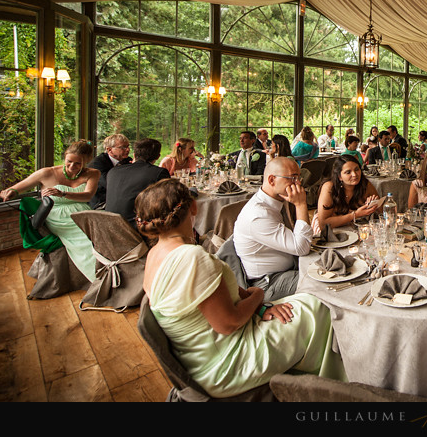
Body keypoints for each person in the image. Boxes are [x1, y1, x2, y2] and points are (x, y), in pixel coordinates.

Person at [138, 178, 345, 398]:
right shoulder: (191, 257)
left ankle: (311, 379)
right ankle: (329, 390)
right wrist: (258, 296)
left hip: (197, 356)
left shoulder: (154, 254)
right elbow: (229, 323)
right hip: (225, 364)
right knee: (320, 308)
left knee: (306, 301)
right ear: (194, 206)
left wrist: (261, 306)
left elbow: (216, 300)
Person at [1, 139, 99, 282]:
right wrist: (9, 192)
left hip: (84, 211)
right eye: (69, 161)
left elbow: (88, 196)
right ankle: (98, 279)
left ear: (86, 161)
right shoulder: (46, 173)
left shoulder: (93, 173)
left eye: (78, 163)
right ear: (65, 157)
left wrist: (63, 194)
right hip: (58, 215)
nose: (72, 166)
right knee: (86, 241)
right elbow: (17, 188)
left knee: (103, 235)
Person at [233, 157, 312, 300]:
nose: (298, 183)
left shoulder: (275, 202)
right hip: (268, 283)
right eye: (292, 178)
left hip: (288, 267)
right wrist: (301, 205)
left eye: (298, 178)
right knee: (320, 282)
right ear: (271, 180)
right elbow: (302, 248)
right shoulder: (258, 215)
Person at [105, 138, 170, 227]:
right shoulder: (158, 173)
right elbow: (168, 201)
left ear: (134, 154)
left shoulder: (113, 171)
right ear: (158, 156)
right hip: (136, 228)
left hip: (109, 226)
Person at [316, 155, 380, 228]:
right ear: (339, 177)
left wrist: (374, 204)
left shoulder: (365, 184)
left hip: (356, 229)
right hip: (331, 231)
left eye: (356, 169)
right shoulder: (329, 187)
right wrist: (355, 214)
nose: (354, 175)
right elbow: (323, 224)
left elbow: (381, 212)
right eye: (348, 172)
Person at [88, 133, 131, 208]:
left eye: (128, 146)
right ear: (109, 150)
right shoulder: (97, 163)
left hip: (120, 199)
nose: (127, 150)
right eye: (123, 147)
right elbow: (109, 184)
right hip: (101, 202)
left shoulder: (128, 161)